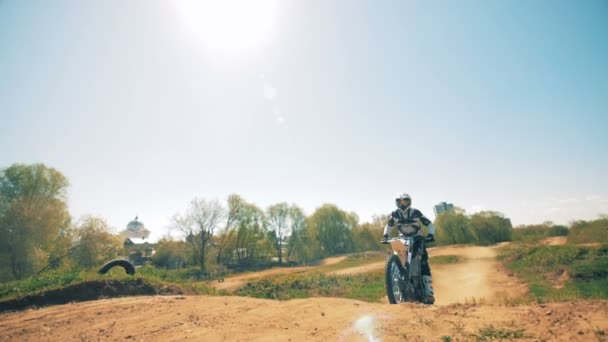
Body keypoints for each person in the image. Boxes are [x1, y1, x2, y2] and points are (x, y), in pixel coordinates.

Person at [381, 193, 436, 304]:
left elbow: (429, 223)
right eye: (400, 201)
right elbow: (389, 225)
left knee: (423, 261)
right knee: (397, 255)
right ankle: (400, 282)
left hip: (417, 238)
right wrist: (385, 235)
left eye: (405, 201)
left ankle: (428, 291)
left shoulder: (416, 212)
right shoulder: (395, 214)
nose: (402, 204)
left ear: (409, 202)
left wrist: (431, 234)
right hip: (402, 239)